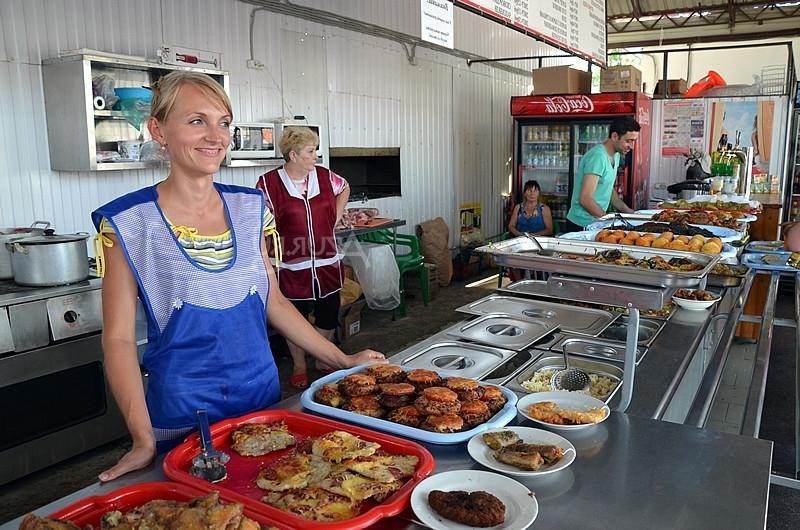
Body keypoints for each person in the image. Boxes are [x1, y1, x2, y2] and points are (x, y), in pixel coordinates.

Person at [91, 71, 384, 482]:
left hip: (260, 404)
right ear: (158, 129)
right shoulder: (128, 223)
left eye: (223, 122)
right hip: (181, 419)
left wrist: (342, 360)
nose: (215, 136)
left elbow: (273, 301)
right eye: (197, 121)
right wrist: (142, 440)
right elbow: (119, 340)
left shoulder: (250, 210)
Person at [256, 127, 350, 390]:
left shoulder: (324, 176)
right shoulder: (268, 184)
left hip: (326, 260)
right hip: (290, 264)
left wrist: (337, 213)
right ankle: (299, 364)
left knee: (328, 313)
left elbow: (344, 187)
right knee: (294, 317)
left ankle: (322, 357)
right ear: (293, 155)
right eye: (311, 151)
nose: (316, 156)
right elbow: (259, 221)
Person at [565, 117, 640, 232]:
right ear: (615, 136)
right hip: (581, 225)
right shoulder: (598, 157)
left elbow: (607, 188)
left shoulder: (616, 155)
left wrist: (628, 211)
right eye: (628, 141)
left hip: (596, 222)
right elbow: (585, 199)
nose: (631, 146)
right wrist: (608, 221)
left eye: (633, 141)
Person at [506, 179, 554, 281]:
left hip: (539, 243)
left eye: (535, 190)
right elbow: (511, 226)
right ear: (524, 193)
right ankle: (519, 284)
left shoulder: (544, 209)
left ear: (538, 193)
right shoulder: (518, 208)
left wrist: (533, 236)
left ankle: (539, 283)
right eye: (529, 190)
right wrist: (519, 235)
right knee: (514, 258)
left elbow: (549, 230)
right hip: (521, 242)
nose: (532, 193)